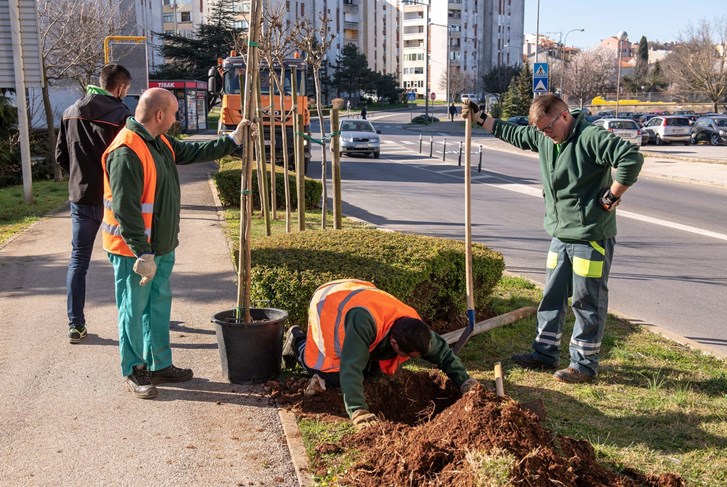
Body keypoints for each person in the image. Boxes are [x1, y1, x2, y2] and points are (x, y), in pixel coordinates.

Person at [462, 94, 643, 384]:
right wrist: (480, 118)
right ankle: (544, 352)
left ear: (563, 116)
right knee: (552, 295)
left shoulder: (590, 136)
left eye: (548, 128)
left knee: (587, 301)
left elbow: (631, 158)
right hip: (560, 233)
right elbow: (516, 134)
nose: (545, 135)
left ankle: (583, 364)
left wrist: (612, 195)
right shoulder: (546, 137)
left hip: (590, 236)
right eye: (541, 131)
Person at [102, 87, 256, 399]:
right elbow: (126, 209)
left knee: (158, 306)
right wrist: (142, 252)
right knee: (133, 310)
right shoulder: (127, 150)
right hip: (135, 251)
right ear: (159, 115)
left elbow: (191, 152)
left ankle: (160, 364)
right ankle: (133, 369)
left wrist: (232, 141)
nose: (176, 119)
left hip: (160, 246)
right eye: (173, 114)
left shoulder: (158, 142)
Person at [282, 279, 479, 430]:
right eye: (408, 355)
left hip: (359, 292)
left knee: (372, 371)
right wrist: (358, 410)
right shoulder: (364, 323)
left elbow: (443, 353)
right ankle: (297, 341)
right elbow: (351, 367)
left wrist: (465, 382)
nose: (410, 359)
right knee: (331, 374)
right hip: (330, 302)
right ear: (394, 342)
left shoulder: (414, 328)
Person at [55, 64, 132, 344]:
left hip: (82, 196)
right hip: (115, 197)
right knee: (126, 258)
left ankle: (76, 324)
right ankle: (134, 314)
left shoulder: (69, 113)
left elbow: (61, 156)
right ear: (120, 88)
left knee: (78, 260)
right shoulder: (122, 115)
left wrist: (78, 177)